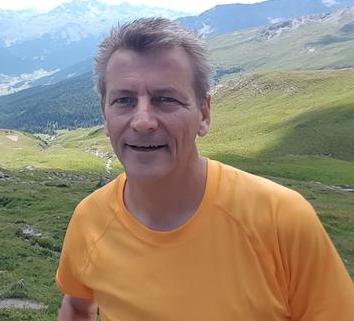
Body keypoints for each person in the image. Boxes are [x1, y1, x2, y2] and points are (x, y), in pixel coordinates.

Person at [56, 18, 354, 320]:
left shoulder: (281, 219)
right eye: (124, 100)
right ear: (105, 117)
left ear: (204, 114)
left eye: (165, 100)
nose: (142, 121)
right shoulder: (90, 220)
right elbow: (77, 305)